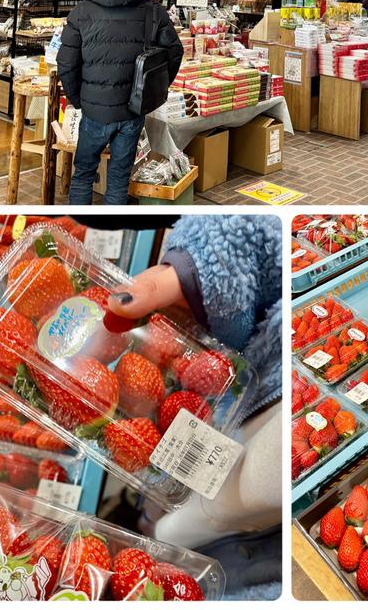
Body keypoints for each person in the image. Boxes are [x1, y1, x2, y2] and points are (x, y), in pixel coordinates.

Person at [105, 215, 282, 601]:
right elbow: (265, 238)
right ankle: (145, 522)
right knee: (159, 492)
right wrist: (199, 274)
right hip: (196, 448)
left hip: (241, 566)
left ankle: (151, 528)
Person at [57, 0, 184, 205]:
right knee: (119, 177)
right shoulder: (153, 11)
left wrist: (78, 99)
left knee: (83, 173)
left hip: (94, 109)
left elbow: (66, 63)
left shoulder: (82, 12)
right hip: (132, 108)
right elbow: (174, 52)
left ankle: (79, 229)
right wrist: (156, 89)